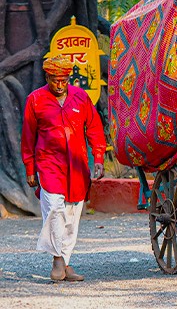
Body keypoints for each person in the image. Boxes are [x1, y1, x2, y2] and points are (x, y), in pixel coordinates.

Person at [21, 54, 106, 282]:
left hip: (77, 165)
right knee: (55, 209)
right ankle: (57, 259)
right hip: (49, 164)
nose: (59, 85)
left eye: (64, 80)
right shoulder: (35, 100)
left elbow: (95, 129)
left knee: (72, 214)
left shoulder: (80, 97)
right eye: (54, 80)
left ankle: (66, 263)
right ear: (46, 76)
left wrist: (98, 157)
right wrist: (30, 167)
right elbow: (28, 136)